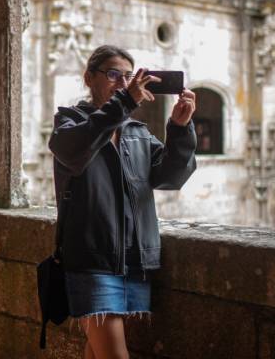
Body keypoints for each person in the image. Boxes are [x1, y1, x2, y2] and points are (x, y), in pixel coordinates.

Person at [48, 45, 196, 359]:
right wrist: (125, 101)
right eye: (114, 74)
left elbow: (171, 177)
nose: (124, 82)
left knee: (97, 350)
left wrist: (180, 129)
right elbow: (75, 151)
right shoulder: (69, 124)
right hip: (91, 259)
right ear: (89, 78)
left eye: (129, 76)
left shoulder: (138, 134)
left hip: (134, 260)